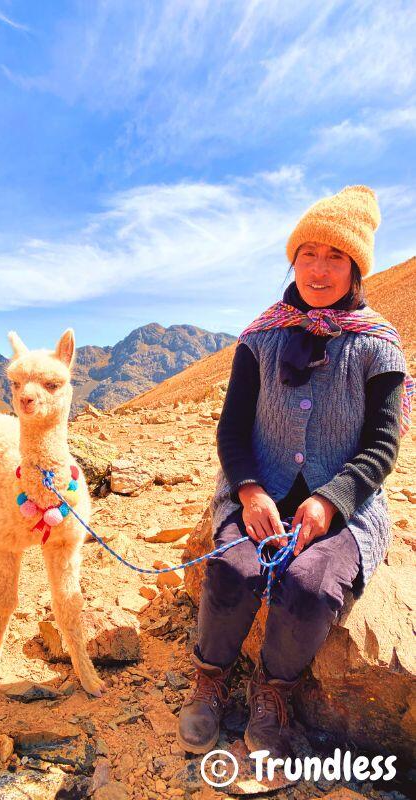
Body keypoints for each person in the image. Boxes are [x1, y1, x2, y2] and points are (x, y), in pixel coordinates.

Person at [176, 185, 411, 758]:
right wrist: (250, 490)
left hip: (346, 504)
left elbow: (383, 445)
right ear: (293, 259)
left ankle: (272, 690)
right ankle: (211, 676)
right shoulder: (260, 337)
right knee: (232, 568)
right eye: (308, 253)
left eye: (335, 257)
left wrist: (330, 501)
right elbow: (231, 431)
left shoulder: (379, 346)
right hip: (259, 489)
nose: (319, 269)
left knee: (309, 586)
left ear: (356, 268)